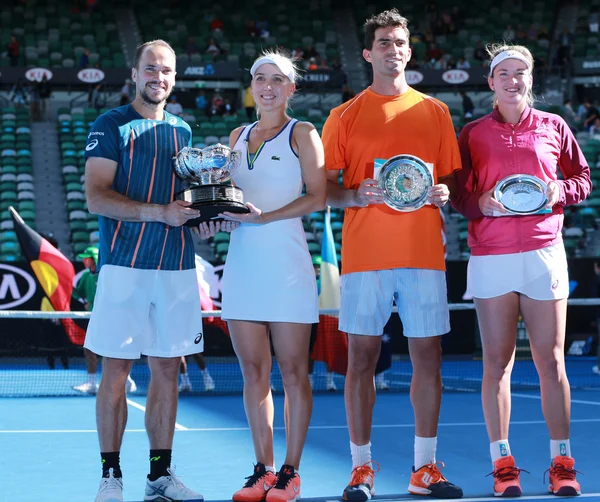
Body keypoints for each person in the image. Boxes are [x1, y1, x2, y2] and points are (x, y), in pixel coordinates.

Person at [321, 9, 463, 500]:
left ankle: (424, 469)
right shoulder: (343, 115)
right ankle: (361, 469)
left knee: (429, 358)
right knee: (360, 359)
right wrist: (355, 195)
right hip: (364, 257)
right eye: (384, 42)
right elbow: (324, 190)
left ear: (409, 49)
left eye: (400, 42)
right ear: (368, 52)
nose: (394, 49)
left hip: (424, 254)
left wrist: (443, 193)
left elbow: (447, 180)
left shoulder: (436, 112)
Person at [451, 43, 591, 497]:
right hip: (491, 258)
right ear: (491, 82)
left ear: (531, 79)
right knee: (497, 363)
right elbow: (458, 196)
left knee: (551, 361)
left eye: (521, 72)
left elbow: (582, 180)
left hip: (543, 253)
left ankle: (562, 463)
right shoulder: (472, 132)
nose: (513, 79)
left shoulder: (555, 126)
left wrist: (559, 190)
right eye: (504, 73)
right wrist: (480, 203)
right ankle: (503, 464)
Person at [84, 39, 208, 502]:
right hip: (124, 265)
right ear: (135, 74)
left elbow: (187, 206)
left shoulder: (184, 132)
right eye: (151, 70)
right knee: (115, 371)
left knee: (167, 371)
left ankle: (159, 477)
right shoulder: (110, 124)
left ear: (175, 77)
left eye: (167, 71)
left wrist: (206, 220)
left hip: (175, 268)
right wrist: (160, 213)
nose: (159, 78)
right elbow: (97, 196)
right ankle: (110, 477)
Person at [216, 49, 326, 502]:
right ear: (251, 86)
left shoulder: (303, 133)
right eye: (260, 78)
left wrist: (266, 218)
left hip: (288, 269)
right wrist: (219, 215)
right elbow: (229, 196)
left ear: (291, 88)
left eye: (277, 80)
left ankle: (290, 472)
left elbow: (318, 197)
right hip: (241, 266)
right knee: (253, 372)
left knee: (294, 373)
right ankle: (261, 469)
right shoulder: (236, 134)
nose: (267, 86)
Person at [71, 246, 137, 395]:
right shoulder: (86, 277)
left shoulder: (107, 275)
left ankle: (126, 379)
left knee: (113, 351)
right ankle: (91, 382)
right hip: (95, 318)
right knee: (89, 349)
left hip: (111, 317)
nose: (83, 260)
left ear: (93, 258)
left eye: (86, 257)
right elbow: (79, 293)